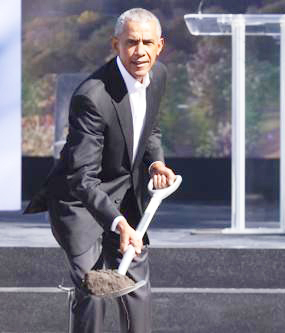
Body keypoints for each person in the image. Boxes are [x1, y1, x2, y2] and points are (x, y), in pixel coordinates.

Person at [24, 8, 175, 333]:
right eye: (131, 42)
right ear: (115, 44)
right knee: (93, 291)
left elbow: (150, 128)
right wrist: (119, 224)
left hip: (124, 197)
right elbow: (82, 177)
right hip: (78, 204)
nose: (140, 51)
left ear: (160, 45)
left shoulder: (158, 75)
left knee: (136, 290)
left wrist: (155, 162)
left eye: (148, 43)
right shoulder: (91, 97)